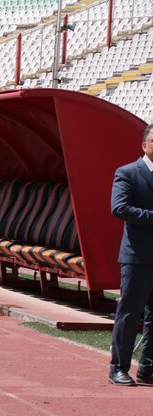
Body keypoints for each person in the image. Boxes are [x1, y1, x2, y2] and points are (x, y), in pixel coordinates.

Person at [109, 122, 153, 386]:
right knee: (129, 313)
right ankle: (118, 367)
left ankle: (147, 368)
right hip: (136, 257)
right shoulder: (127, 173)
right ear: (144, 145)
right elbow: (119, 208)